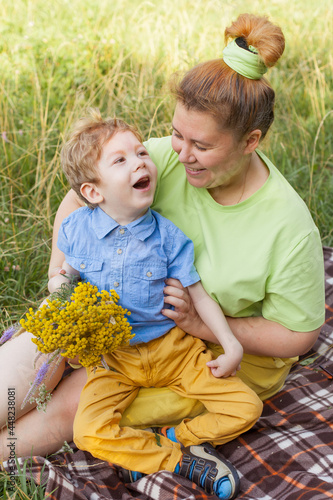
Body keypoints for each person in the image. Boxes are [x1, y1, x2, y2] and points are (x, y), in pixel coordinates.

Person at [0, 11, 324, 482]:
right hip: (116, 322)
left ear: (251, 140)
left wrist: (204, 323)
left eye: (201, 146)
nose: (180, 153)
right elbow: (79, 196)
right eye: (176, 134)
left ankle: (173, 451)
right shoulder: (163, 161)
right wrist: (65, 292)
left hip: (197, 352)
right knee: (35, 355)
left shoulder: (289, 227)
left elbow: (298, 336)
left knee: (75, 402)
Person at [50, 108, 261, 499]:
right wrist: (59, 295)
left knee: (246, 408)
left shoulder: (168, 237)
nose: (140, 162)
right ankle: (176, 461)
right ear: (93, 192)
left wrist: (231, 344)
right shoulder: (77, 229)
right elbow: (64, 274)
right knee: (86, 431)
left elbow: (199, 295)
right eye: (121, 159)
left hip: (174, 351)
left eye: (141, 152)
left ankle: (172, 437)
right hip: (116, 358)